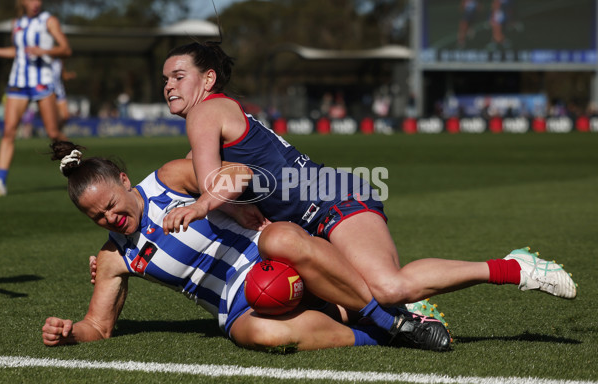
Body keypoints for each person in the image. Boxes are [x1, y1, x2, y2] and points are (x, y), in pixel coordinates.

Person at [159, 40, 580, 350]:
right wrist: (234, 203)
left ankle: (513, 267)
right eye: (165, 80)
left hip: (331, 200)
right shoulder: (218, 112)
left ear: (207, 79)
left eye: (179, 76)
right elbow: (234, 175)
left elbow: (217, 179)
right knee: (360, 292)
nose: (169, 86)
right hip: (316, 211)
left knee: (389, 288)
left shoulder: (204, 111)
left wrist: (198, 206)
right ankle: (408, 319)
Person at [42, 141, 578, 352]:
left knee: (278, 235)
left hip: (276, 255)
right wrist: (73, 331)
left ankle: (390, 318)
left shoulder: (169, 179)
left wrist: (214, 197)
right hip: (241, 300)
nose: (111, 218)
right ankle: (377, 335)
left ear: (125, 178)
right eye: (97, 218)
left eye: (112, 204)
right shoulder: (114, 257)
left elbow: (233, 171)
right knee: (252, 335)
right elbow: (101, 326)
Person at [0, 0, 71, 197]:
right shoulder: (17, 23)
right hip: (18, 82)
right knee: (9, 131)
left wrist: (44, 51)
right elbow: (19, 51)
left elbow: (66, 49)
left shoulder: (49, 20)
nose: (36, 3)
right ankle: (0, 181)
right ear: (23, 1)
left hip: (42, 82)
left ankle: (77, 164)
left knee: (53, 132)